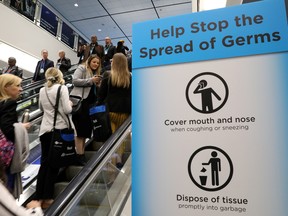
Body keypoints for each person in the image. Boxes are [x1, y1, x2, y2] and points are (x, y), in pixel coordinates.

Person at [32, 67, 74, 209]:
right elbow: (67, 110)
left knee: (44, 163)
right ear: (59, 76)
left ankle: (39, 197)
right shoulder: (62, 88)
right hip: (58, 130)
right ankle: (48, 198)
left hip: (45, 130)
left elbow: (42, 109)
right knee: (54, 164)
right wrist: (70, 104)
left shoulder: (42, 90)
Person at [96, 53, 131, 164]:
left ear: (114, 63)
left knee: (109, 138)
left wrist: (98, 106)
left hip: (109, 112)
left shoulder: (107, 75)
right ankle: (119, 159)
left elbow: (101, 95)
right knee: (120, 138)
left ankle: (111, 162)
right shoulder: (130, 77)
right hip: (125, 112)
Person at [0, 74, 31, 199]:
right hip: (5, 158)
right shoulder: (9, 103)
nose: (21, 89)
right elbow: (8, 130)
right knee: (8, 192)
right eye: (17, 85)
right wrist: (21, 127)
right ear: (6, 87)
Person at [70, 55, 102, 165]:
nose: (96, 64)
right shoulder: (82, 68)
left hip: (90, 105)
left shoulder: (95, 73)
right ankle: (79, 155)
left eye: (97, 63)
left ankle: (81, 153)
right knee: (79, 131)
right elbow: (75, 81)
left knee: (85, 131)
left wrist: (97, 84)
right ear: (89, 61)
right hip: (81, 103)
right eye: (94, 62)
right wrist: (90, 80)